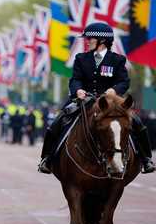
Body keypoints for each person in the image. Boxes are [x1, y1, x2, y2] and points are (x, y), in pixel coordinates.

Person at [38, 22, 155, 174]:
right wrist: (78, 90)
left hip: (110, 103)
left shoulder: (117, 59)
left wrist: (113, 90)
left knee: (138, 123)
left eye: (90, 39)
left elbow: (124, 81)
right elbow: (75, 79)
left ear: (102, 41)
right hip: (84, 100)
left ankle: (146, 160)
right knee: (56, 122)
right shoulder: (81, 58)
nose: (87, 41)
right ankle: (46, 158)